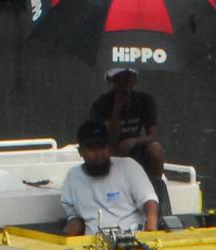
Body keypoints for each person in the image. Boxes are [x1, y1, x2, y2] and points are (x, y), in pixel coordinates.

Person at [89, 67, 171, 210]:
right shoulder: (101, 104)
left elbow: (154, 134)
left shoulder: (145, 100)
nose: (125, 81)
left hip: (135, 146)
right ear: (112, 81)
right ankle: (119, 194)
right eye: (120, 78)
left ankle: (157, 188)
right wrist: (117, 108)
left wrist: (134, 141)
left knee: (156, 149)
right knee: (114, 149)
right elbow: (110, 137)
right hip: (111, 148)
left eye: (129, 77)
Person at [60, 122, 159, 236]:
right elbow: (74, 217)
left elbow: (149, 200)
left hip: (134, 240)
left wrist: (151, 230)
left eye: (103, 147)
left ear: (110, 148)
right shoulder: (73, 177)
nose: (98, 153)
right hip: (93, 243)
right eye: (92, 149)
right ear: (80, 152)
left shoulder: (129, 166)